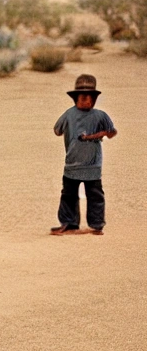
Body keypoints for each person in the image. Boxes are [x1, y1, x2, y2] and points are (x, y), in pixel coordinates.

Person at [51, 74, 117, 235]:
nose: (86, 100)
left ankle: (96, 224)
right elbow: (57, 130)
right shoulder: (69, 114)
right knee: (68, 195)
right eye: (82, 97)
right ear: (75, 98)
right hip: (72, 165)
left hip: (93, 166)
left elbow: (112, 132)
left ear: (94, 99)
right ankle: (69, 223)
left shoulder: (101, 116)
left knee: (95, 195)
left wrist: (101, 134)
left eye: (89, 97)